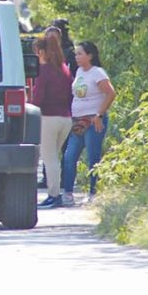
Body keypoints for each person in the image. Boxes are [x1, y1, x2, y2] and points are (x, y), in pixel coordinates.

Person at [61, 41, 117, 206]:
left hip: (94, 121)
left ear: (90, 55)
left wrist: (99, 114)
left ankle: (94, 192)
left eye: (80, 54)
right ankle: (68, 193)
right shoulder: (79, 71)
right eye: (76, 54)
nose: (77, 57)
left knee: (93, 157)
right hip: (78, 121)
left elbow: (110, 93)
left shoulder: (97, 73)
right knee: (69, 156)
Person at [30, 37, 73, 209]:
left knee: (49, 158)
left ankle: (54, 195)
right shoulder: (64, 69)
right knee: (54, 157)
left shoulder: (44, 70)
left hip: (48, 118)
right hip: (66, 118)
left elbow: (38, 97)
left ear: (41, 52)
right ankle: (56, 193)